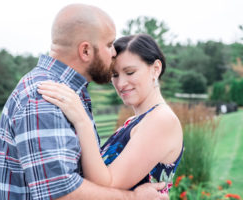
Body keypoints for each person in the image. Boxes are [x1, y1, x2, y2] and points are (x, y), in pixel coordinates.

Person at [0, 4, 169, 200]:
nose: (114, 52)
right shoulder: (44, 97)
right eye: (108, 44)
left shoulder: (64, 93)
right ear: (86, 51)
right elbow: (62, 193)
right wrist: (132, 198)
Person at [37, 34, 183, 193]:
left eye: (130, 72)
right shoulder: (135, 121)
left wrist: (82, 121)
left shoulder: (161, 120)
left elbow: (108, 184)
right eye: (114, 75)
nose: (121, 83)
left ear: (156, 69)